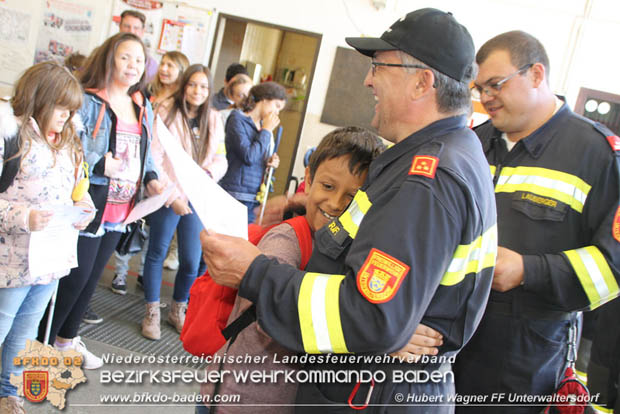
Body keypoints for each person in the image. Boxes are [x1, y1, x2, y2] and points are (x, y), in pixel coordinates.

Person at [202, 8, 497, 413]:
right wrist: (297, 206)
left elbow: (371, 319)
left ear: (421, 82)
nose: (368, 78)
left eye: (379, 66)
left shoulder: (425, 179)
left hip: (370, 396)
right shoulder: (442, 156)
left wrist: (255, 273)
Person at [454, 31, 620, 413]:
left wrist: (529, 270)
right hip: (451, 340)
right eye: (480, 88)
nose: (486, 97)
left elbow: (612, 269)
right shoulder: (473, 144)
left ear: (536, 74)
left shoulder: (596, 155)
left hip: (526, 357)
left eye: (495, 84)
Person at [200, 127, 385, 412]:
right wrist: (384, 336)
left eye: (351, 197)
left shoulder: (346, 248)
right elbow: (273, 315)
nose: (336, 204)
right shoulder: (287, 240)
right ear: (308, 179)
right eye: (327, 186)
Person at [36, 32, 163, 369]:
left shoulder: (142, 104)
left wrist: (151, 178)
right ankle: (40, 346)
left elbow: (146, 153)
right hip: (91, 202)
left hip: (122, 208)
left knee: (91, 281)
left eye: (138, 59)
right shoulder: (89, 99)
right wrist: (98, 162)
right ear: (109, 59)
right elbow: (69, 144)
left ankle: (66, 340)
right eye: (125, 57)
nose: (133, 65)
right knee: (73, 280)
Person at [0, 62, 94, 412]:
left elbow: (76, 190)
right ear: (40, 99)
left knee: (26, 332)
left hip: (50, 260)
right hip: (10, 261)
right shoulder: (11, 136)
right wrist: (24, 217)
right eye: (62, 109)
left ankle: (7, 392)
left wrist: (83, 207)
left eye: (72, 113)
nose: (68, 119)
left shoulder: (69, 142)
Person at [141, 64, 226, 340]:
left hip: (197, 196)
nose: (197, 91)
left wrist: (208, 174)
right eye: (192, 85)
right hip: (168, 195)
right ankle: (151, 312)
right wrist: (172, 195)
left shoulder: (214, 118)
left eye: (203, 86)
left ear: (209, 90)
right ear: (183, 86)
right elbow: (154, 155)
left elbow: (221, 158)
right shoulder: (166, 111)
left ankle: (178, 309)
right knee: (157, 252)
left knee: (191, 260)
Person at [110, 50, 189, 296]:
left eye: (171, 66)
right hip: (137, 168)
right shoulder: (144, 92)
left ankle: (144, 272)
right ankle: (120, 272)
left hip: (162, 176)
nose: (164, 69)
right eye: (163, 63)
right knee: (132, 223)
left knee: (153, 232)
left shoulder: (181, 105)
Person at [219, 82, 287, 224]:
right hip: (235, 194)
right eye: (277, 106)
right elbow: (248, 156)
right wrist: (267, 130)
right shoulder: (237, 119)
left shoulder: (263, 127)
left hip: (254, 197)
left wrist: (269, 161)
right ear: (264, 100)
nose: (277, 112)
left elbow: (257, 155)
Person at [119, 10, 158, 82]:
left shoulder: (150, 65)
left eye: (136, 28)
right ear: (120, 27)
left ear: (142, 31)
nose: (131, 31)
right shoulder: (103, 53)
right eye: (127, 26)